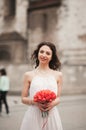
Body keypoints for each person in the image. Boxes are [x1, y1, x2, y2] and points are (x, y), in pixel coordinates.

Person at [20, 41, 63, 130]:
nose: (44, 55)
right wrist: (35, 102)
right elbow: (23, 98)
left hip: (52, 116)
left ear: (51, 57)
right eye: (41, 51)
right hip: (33, 115)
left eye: (48, 53)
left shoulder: (58, 75)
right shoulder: (28, 75)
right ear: (38, 53)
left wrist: (52, 104)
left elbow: (58, 98)